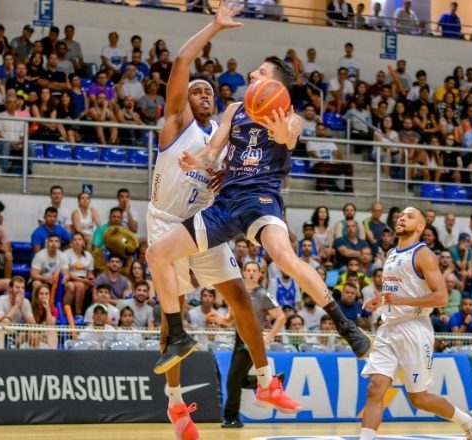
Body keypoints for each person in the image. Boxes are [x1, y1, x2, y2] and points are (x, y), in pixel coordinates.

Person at [149, 3, 370, 381]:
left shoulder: (288, 115)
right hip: (224, 205)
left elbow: (290, 136)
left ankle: (344, 324)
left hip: (260, 200)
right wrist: (197, 162)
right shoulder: (234, 109)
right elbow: (213, 152)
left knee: (283, 257)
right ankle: (180, 337)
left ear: (275, 85)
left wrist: (283, 133)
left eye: (261, 72)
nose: (252, 74)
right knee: (156, 253)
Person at [144, 5, 299, 438]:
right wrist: (214, 26)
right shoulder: (176, 124)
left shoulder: (225, 138)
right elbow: (181, 61)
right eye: (196, 90)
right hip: (167, 222)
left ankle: (266, 379)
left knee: (240, 296)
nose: (203, 94)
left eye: (208, 91)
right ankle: (176, 405)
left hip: (205, 222)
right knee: (172, 315)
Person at [360, 207, 472, 440]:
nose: (402, 218)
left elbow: (442, 298)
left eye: (410, 216)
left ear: (420, 227)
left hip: (414, 327)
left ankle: (468, 421)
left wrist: (401, 301)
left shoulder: (424, 254)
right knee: (375, 388)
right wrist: (381, 300)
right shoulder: (392, 253)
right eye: (401, 215)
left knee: (419, 398)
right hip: (388, 328)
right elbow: (397, 290)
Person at [220, 261, 288, 428]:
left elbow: (281, 317)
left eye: (254, 270)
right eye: (248, 270)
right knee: (238, 380)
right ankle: (271, 380)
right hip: (238, 339)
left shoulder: (263, 294)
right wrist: (220, 319)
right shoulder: (237, 293)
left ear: (259, 274)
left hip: (252, 340)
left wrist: (269, 337)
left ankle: (231, 418)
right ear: (243, 273)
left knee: (233, 381)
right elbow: (230, 320)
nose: (251, 273)